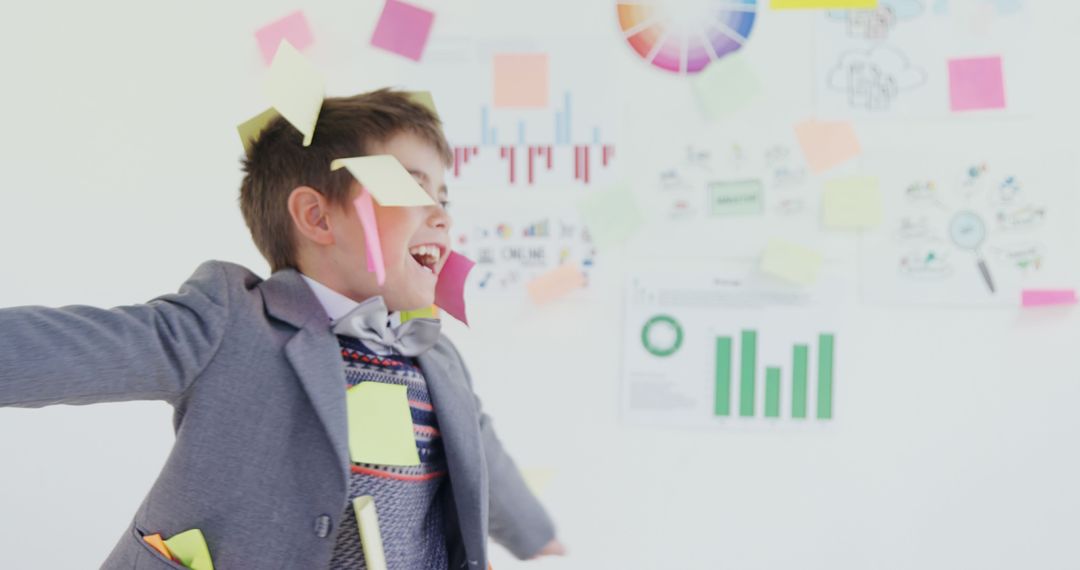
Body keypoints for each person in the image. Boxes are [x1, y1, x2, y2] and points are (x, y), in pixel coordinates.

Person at [0, 88, 563, 569]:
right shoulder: (232, 322)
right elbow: (85, 346)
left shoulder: (438, 358)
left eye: (443, 197)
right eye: (414, 191)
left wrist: (540, 538)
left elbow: (481, 454)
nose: (441, 215)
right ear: (317, 217)